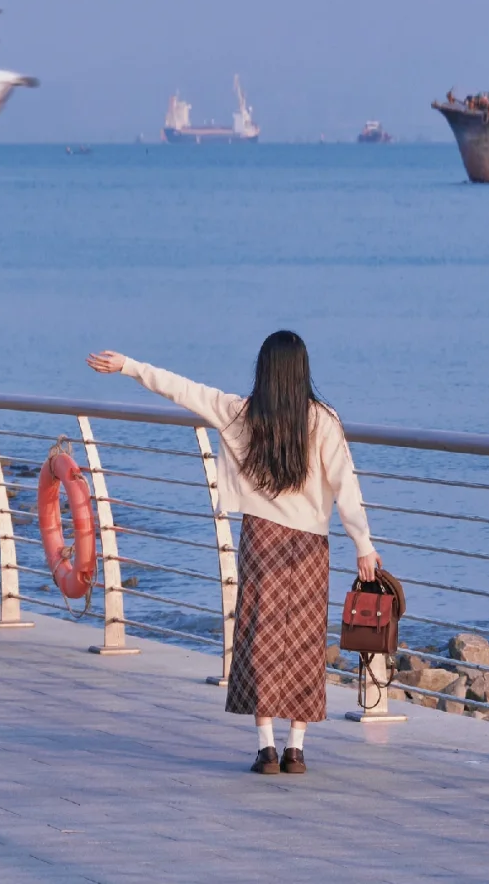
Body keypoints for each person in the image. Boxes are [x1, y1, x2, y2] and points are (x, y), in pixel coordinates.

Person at [87, 331, 380, 776]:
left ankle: (266, 750)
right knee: (303, 640)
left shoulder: (240, 412)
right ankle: (296, 749)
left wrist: (128, 365)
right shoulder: (323, 419)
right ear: (302, 370)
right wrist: (363, 545)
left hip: (261, 538)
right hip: (308, 545)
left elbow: (182, 390)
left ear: (264, 370)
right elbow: (346, 487)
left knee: (259, 636)